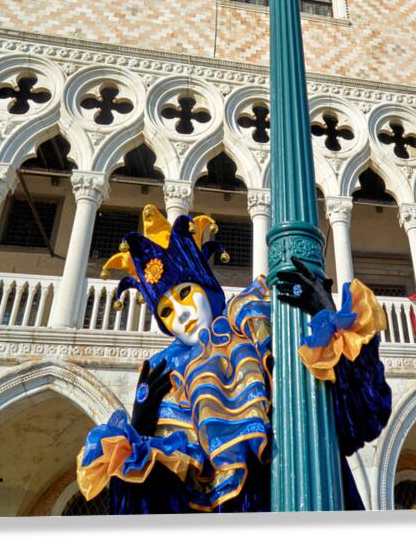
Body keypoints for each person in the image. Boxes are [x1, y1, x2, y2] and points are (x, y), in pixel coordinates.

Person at [76, 205, 392, 513]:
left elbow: (351, 416)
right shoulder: (169, 378)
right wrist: (141, 430)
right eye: (166, 312)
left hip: (306, 496)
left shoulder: (255, 323)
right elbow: (162, 509)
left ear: (206, 288)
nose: (181, 315)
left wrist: (328, 320)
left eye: (185, 294)